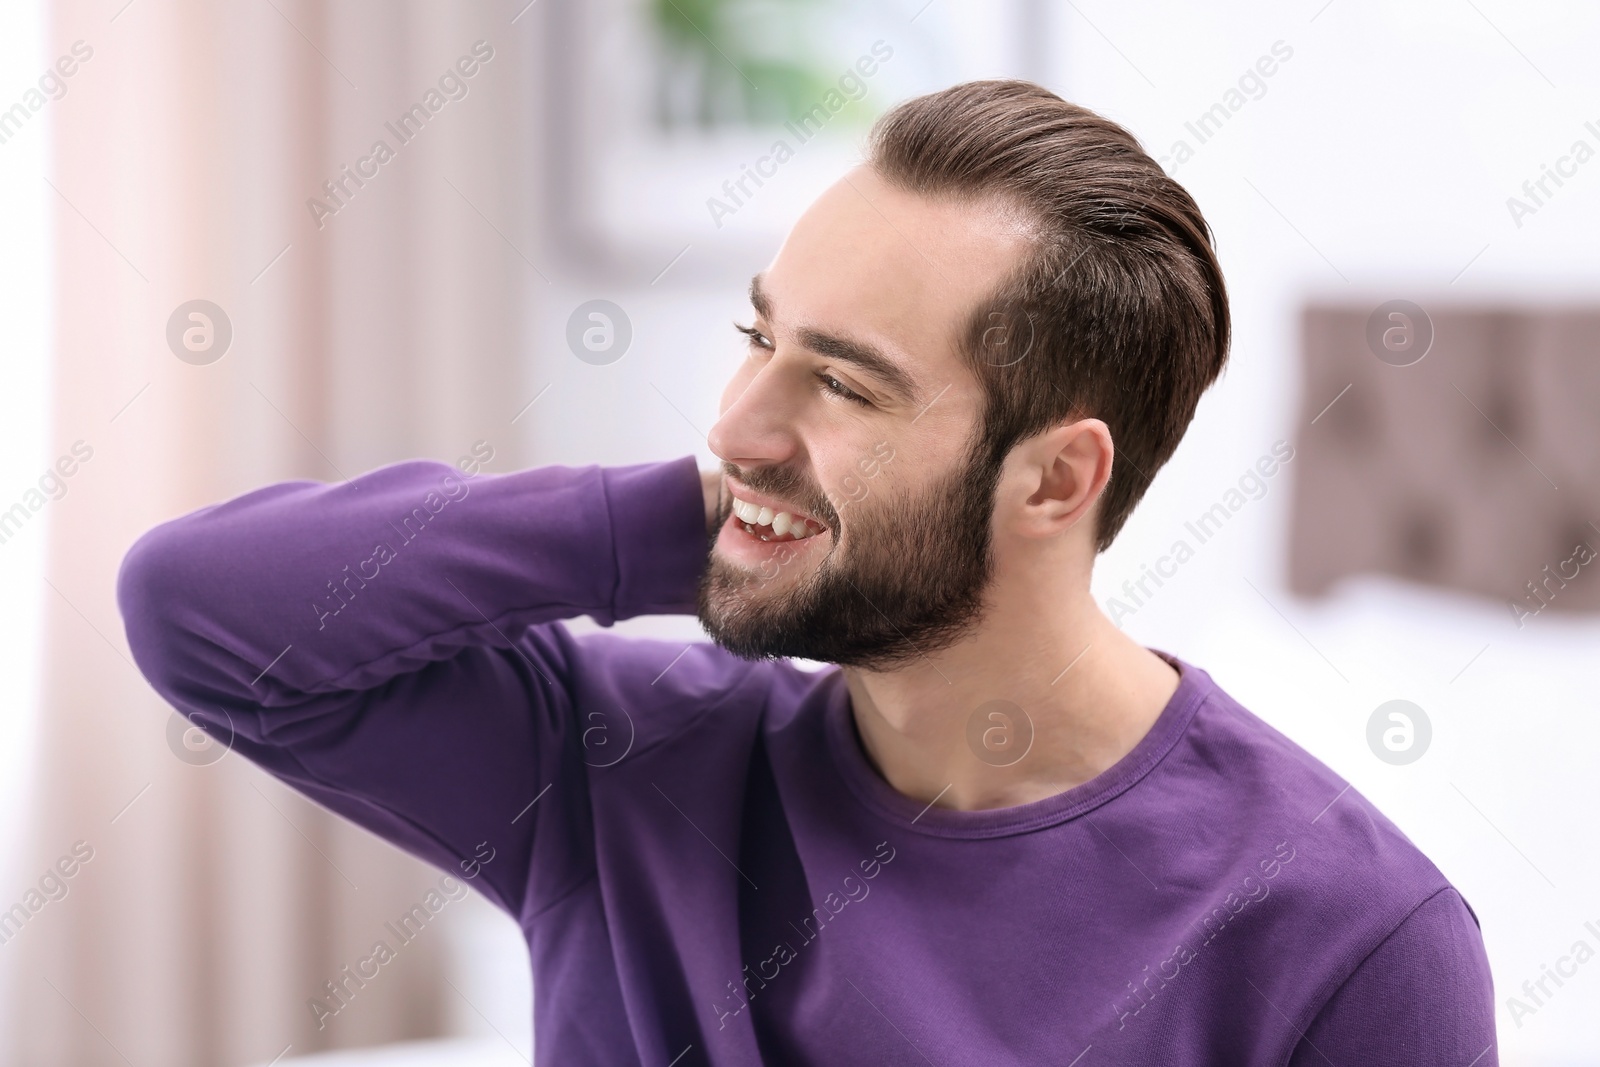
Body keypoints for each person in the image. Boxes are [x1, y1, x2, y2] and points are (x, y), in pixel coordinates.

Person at [118, 80, 1496, 1064]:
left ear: (1057, 479)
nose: (733, 425)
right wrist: (673, 524)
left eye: (842, 382)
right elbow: (201, 607)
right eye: (757, 334)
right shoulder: (620, 764)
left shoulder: (1347, 939)